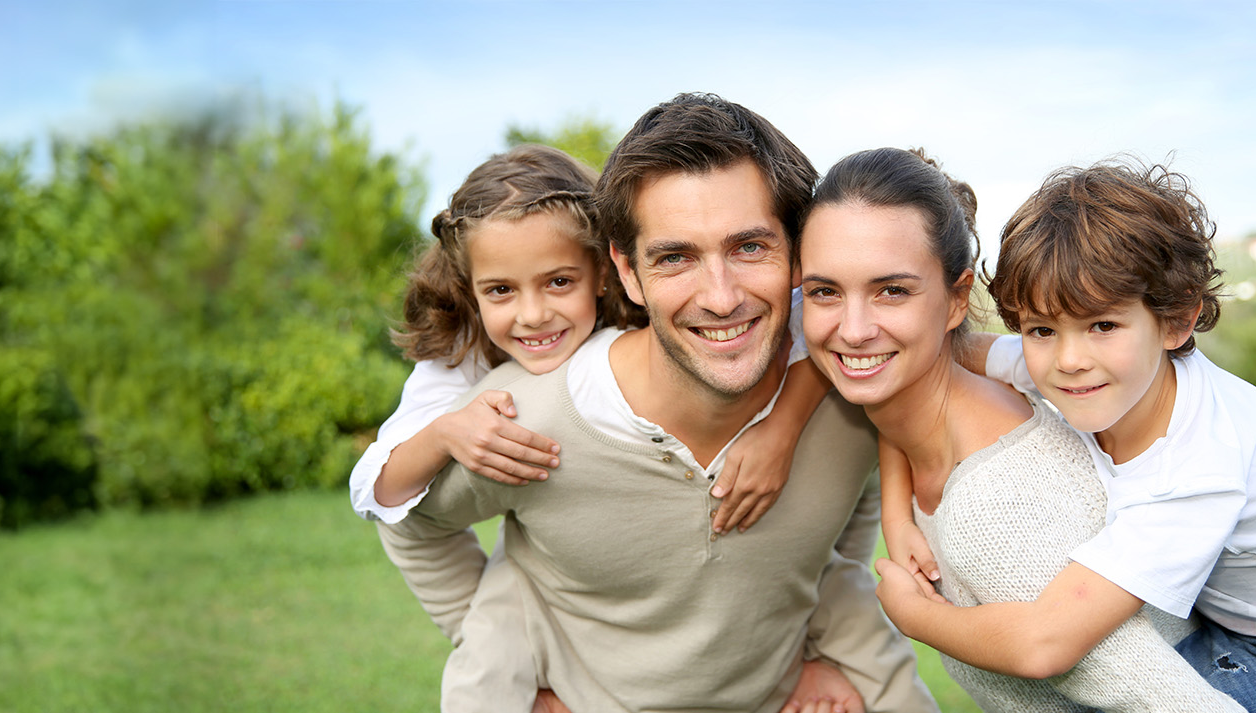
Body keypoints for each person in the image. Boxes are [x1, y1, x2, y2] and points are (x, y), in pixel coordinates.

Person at [379, 93, 935, 713]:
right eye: (675, 257)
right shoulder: (518, 421)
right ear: (626, 271)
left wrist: (818, 648)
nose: (721, 298)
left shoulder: (853, 395)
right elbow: (412, 525)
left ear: (798, 256)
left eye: (749, 247)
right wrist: (519, 670)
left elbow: (847, 511)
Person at [800, 147, 1244, 711]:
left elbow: (1185, 702)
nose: (855, 329)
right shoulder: (952, 398)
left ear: (957, 300)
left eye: (893, 290)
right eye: (824, 291)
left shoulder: (998, 505)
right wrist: (894, 507)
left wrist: (917, 617)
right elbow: (895, 408)